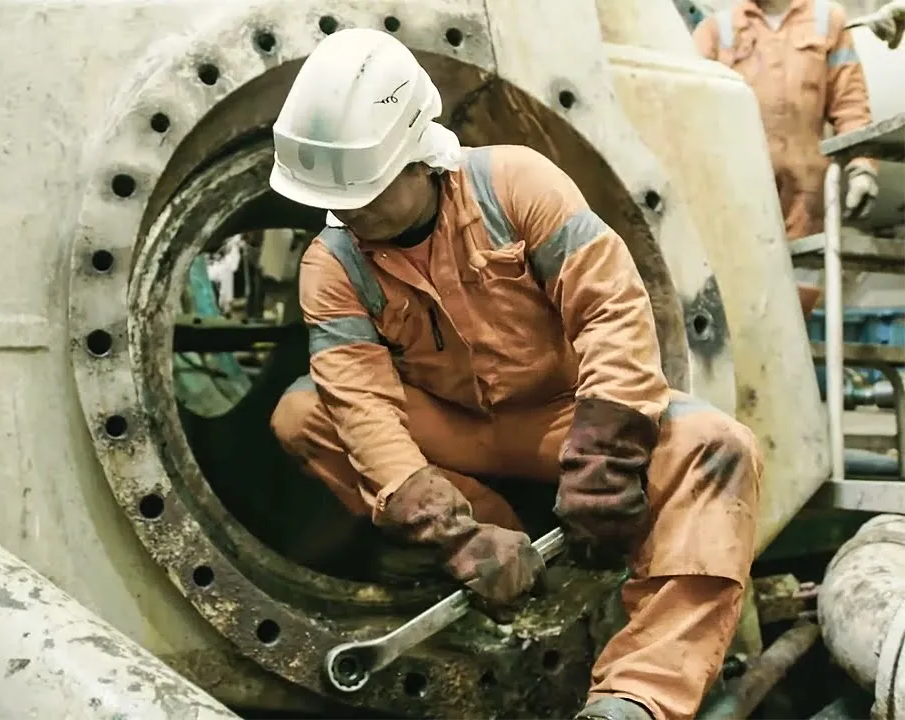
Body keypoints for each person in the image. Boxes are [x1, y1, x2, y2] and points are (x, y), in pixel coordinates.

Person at [267, 28, 763, 720]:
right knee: (303, 412)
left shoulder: (514, 185)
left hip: (564, 417)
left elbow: (611, 314)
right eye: (335, 197)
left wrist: (604, 463)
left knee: (718, 446)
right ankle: (505, 553)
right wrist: (459, 537)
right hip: (450, 428)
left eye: (367, 193)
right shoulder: (332, 265)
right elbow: (362, 409)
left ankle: (636, 696)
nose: (350, 212)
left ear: (418, 156)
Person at [692, 0, 878, 317]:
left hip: (805, 195)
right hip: (735, 192)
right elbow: (686, 107)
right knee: (736, 299)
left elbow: (850, 102)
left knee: (796, 300)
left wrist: (863, 167)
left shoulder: (827, 21)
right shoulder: (717, 29)